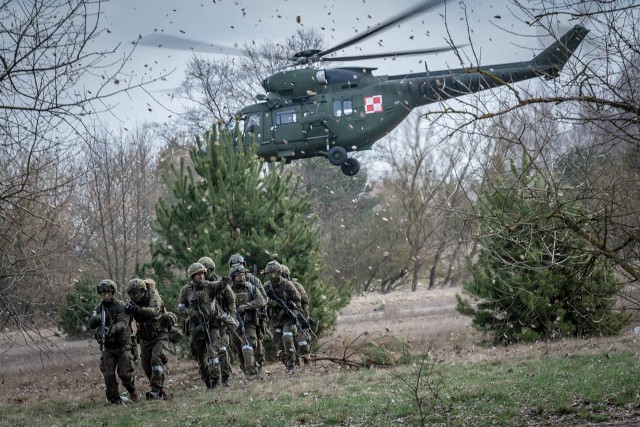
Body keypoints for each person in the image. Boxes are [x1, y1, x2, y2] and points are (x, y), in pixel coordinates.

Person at [178, 262, 237, 389]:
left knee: (213, 353)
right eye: (198, 274)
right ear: (192, 276)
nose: (201, 276)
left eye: (202, 274)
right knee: (200, 356)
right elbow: (181, 308)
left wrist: (225, 280)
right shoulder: (186, 290)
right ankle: (207, 381)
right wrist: (191, 312)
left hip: (212, 325)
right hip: (196, 327)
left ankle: (216, 382)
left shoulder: (210, 286)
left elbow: (220, 286)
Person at [89, 279, 138, 404]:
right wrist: (97, 319)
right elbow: (91, 324)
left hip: (123, 346)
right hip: (108, 348)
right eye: (103, 293)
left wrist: (112, 329)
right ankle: (114, 399)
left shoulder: (121, 306)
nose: (105, 295)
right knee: (108, 374)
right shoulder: (99, 308)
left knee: (124, 374)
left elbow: (123, 323)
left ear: (112, 293)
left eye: (108, 292)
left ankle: (132, 391)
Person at [125, 278, 171, 400]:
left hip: (160, 335)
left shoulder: (154, 297)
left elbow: (154, 311)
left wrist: (137, 310)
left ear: (144, 290)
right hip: (145, 338)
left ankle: (155, 390)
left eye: (138, 292)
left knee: (156, 360)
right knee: (146, 366)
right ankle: (160, 391)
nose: (136, 296)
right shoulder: (131, 303)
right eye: (133, 293)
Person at [228, 253, 269, 373]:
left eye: (240, 265)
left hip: (254, 317)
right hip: (235, 322)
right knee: (238, 347)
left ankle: (258, 367)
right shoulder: (229, 285)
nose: (241, 275)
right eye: (235, 265)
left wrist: (249, 306)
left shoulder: (252, 281)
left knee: (255, 344)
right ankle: (246, 369)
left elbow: (263, 299)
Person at [199, 256, 234, 384]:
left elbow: (231, 301)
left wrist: (231, 317)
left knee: (223, 349)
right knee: (210, 351)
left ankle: (226, 378)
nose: (203, 274)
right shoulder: (198, 286)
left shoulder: (220, 282)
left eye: (205, 271)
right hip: (208, 324)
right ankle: (213, 379)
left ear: (211, 270)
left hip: (222, 322)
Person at [263, 260, 301, 374]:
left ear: (279, 272)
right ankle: (291, 361)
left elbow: (298, 302)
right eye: (270, 274)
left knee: (287, 338)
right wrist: (271, 303)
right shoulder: (266, 287)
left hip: (287, 319)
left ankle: (291, 365)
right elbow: (261, 300)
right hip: (274, 320)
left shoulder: (287, 285)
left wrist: (293, 312)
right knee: (280, 349)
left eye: (274, 273)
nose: (272, 276)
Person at [281, 264, 312, 358]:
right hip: (285, 319)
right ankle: (294, 361)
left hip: (298, 316)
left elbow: (305, 303)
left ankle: (307, 358)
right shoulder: (276, 288)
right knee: (287, 342)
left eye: (283, 275)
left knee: (302, 342)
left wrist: (304, 318)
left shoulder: (297, 286)